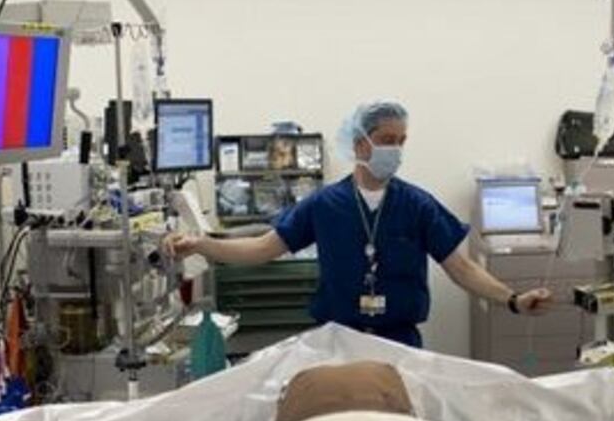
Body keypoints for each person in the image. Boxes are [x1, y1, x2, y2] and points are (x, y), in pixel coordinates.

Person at [164, 101, 552, 347]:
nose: (395, 150)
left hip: (399, 342)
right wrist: (200, 244)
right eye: (386, 139)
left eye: (402, 141)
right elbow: (263, 248)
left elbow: (461, 268)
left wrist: (513, 300)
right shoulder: (325, 204)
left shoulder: (417, 205)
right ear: (360, 143)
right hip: (337, 341)